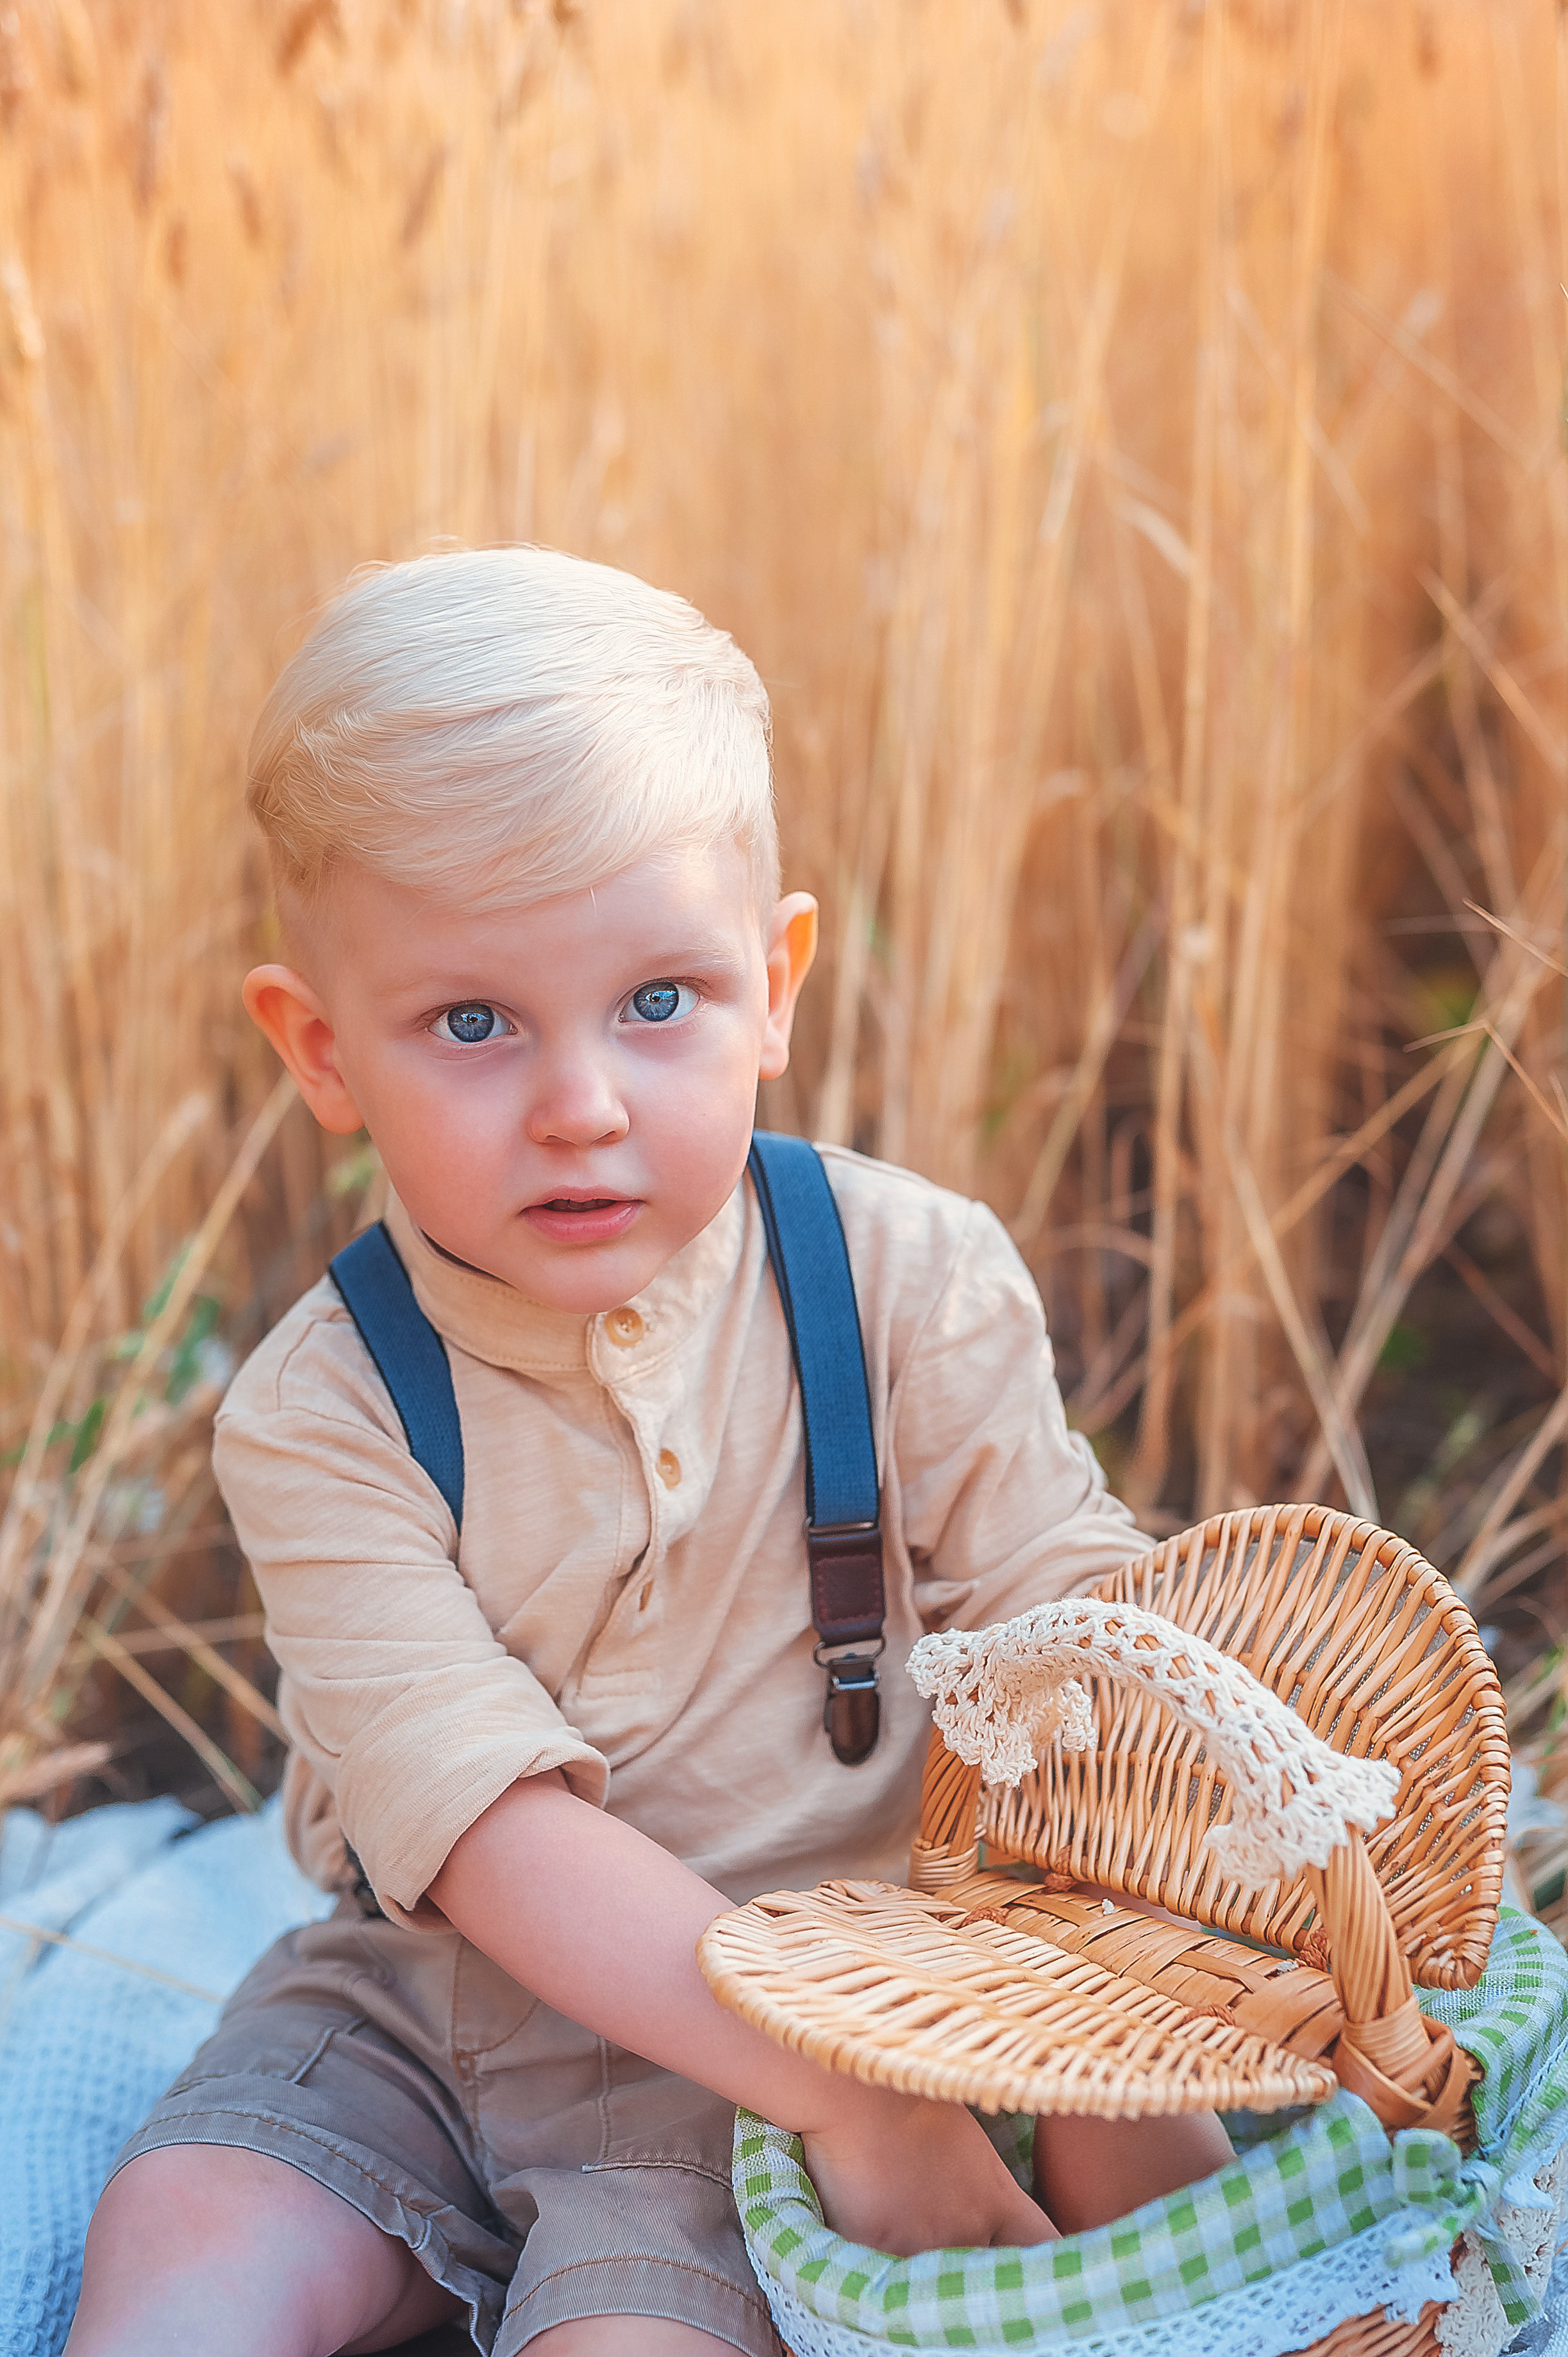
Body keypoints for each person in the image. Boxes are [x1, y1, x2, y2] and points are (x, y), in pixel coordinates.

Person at [67, 548, 1231, 2357]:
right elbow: (487, 1834)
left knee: (629, 2331)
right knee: (184, 2239)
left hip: (759, 2069)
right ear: (320, 1047)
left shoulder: (904, 1282)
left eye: (661, 999)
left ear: (775, 984)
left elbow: (1077, 1632)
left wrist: (1109, 2010)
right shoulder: (326, 1408)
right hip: (421, 2014)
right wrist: (868, 2107)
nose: (582, 1104)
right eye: (472, 1022)